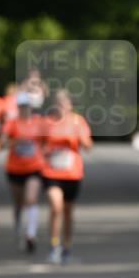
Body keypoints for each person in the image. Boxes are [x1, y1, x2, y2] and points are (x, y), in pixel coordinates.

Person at [41, 89, 92, 264]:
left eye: (64, 103)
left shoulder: (78, 121)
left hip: (72, 173)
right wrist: (46, 151)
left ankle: (67, 246)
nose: (61, 106)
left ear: (70, 105)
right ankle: (54, 245)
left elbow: (88, 145)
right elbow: (40, 144)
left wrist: (78, 135)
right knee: (56, 207)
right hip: (51, 171)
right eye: (58, 103)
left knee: (68, 212)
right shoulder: (48, 122)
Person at [2, 92, 45, 251]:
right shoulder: (12, 123)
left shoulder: (38, 122)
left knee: (31, 199)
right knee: (19, 203)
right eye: (22, 106)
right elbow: (3, 141)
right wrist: (14, 141)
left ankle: (31, 235)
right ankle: (18, 227)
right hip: (14, 168)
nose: (24, 109)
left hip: (34, 167)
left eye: (27, 106)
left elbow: (47, 140)